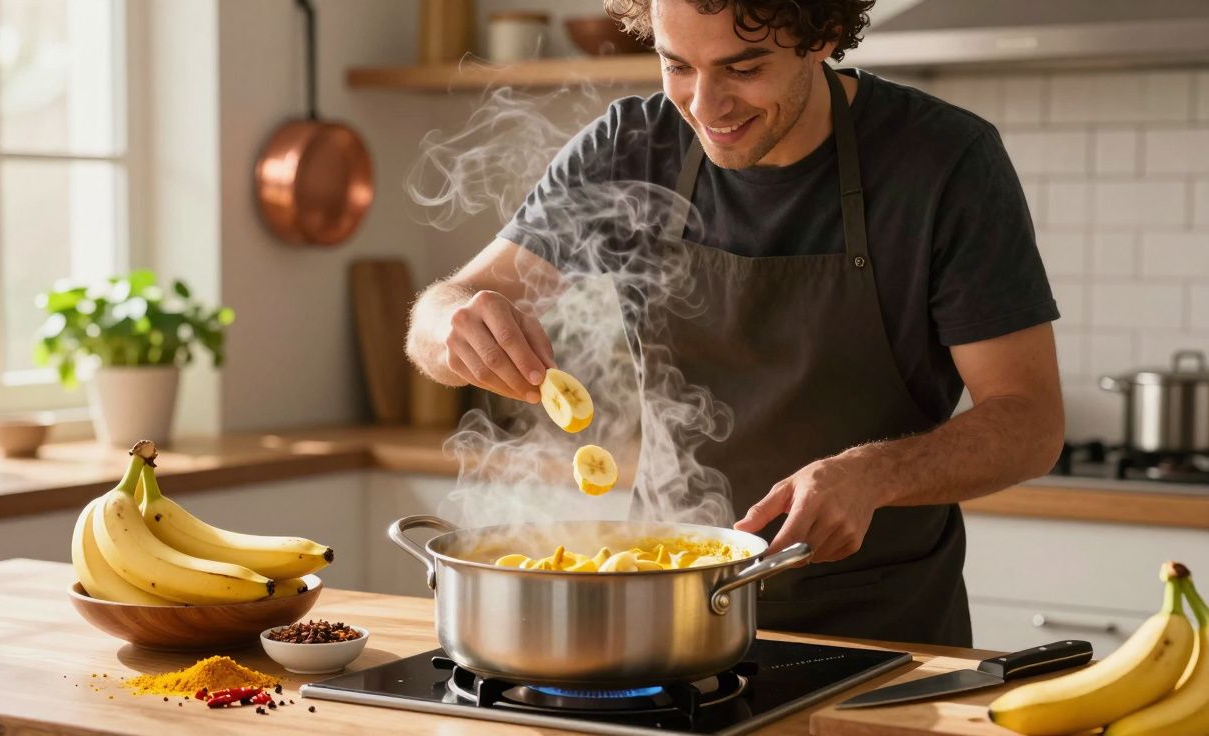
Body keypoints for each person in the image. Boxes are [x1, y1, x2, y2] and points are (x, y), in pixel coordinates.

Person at [405, 0, 1063, 647]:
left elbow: (1031, 422)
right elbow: (443, 312)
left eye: (743, 69)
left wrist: (876, 473)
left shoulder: (946, 162)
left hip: (883, 633)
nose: (704, 107)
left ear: (824, 33)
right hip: (671, 619)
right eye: (677, 65)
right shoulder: (633, 144)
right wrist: (453, 327)